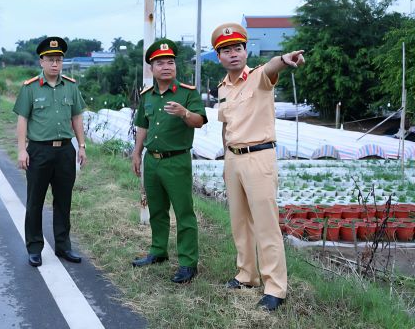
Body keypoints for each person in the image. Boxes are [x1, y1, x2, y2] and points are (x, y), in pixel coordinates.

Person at [212, 22, 305, 312]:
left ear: (245, 51)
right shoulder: (222, 88)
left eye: (238, 48)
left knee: (266, 224)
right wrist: (225, 157)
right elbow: (226, 125)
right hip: (233, 158)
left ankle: (275, 287)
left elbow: (272, 67)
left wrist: (285, 59)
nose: (233, 54)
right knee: (240, 223)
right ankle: (246, 275)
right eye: (226, 50)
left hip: (259, 157)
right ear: (219, 57)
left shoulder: (258, 77)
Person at [130, 39, 206, 284]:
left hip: (176, 161)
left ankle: (187, 263)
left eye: (170, 62)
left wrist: (184, 112)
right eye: (160, 63)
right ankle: (158, 251)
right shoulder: (148, 95)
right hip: (152, 161)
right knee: (157, 210)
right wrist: (136, 152)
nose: (166, 67)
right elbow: (143, 124)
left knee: (184, 213)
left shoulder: (187, 92)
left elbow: (200, 121)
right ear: (151, 68)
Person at [13, 36, 87, 267]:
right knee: (35, 200)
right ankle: (34, 247)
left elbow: (76, 117)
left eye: (59, 59)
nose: (55, 64)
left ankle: (63, 247)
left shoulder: (71, 86)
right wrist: (21, 150)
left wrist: (82, 146)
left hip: (65, 151)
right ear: (41, 62)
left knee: (63, 201)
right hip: (39, 151)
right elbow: (22, 119)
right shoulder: (31, 88)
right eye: (50, 59)